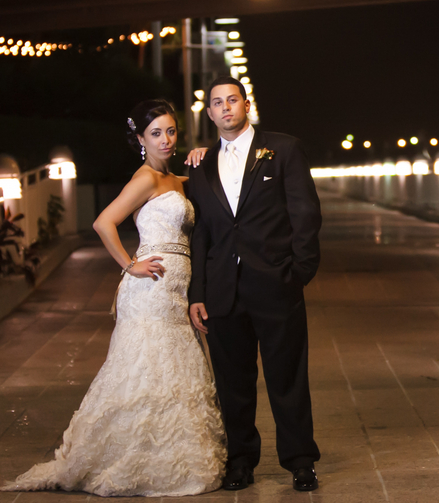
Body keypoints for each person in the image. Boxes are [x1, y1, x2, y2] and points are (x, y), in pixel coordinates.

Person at [1, 100, 226, 497]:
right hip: (150, 291)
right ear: (141, 139)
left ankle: (168, 453)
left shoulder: (176, 179)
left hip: (175, 292)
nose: (166, 139)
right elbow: (103, 221)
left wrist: (207, 155)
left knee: (171, 369)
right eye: (156, 133)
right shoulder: (144, 179)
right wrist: (129, 264)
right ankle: (133, 456)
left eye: (171, 131)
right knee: (144, 368)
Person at [187, 76, 322, 492]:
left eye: (232, 100)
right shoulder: (200, 164)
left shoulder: (283, 149)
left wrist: (298, 271)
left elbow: (305, 213)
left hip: (275, 283)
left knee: (287, 377)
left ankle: (300, 461)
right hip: (223, 290)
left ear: (246, 105)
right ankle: (240, 462)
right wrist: (198, 293)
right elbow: (202, 233)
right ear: (209, 113)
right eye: (217, 103)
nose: (225, 108)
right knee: (233, 383)